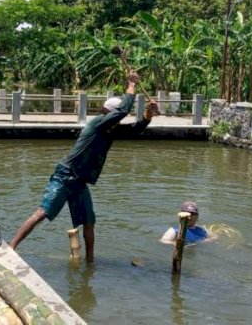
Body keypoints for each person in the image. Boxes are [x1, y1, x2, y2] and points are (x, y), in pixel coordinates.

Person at [9, 70, 159, 263]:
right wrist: (131, 85)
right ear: (108, 114)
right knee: (43, 212)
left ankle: (90, 262)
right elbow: (122, 110)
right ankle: (11, 247)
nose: (119, 120)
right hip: (65, 175)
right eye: (117, 117)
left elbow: (135, 129)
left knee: (89, 222)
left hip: (79, 181)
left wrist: (148, 115)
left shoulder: (110, 130)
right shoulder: (97, 124)